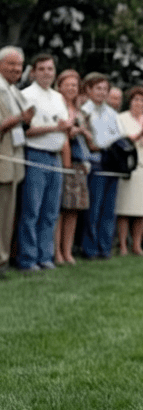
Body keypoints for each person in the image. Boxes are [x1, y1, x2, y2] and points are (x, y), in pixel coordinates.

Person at [18, 53, 72, 272]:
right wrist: (55, 128)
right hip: (36, 154)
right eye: (42, 69)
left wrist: (66, 128)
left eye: (50, 69)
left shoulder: (58, 97)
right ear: (33, 72)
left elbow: (63, 126)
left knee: (50, 211)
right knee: (32, 210)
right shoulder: (26, 95)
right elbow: (26, 130)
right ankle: (28, 259)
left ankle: (45, 256)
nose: (47, 73)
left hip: (55, 156)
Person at [80, 73, 123, 260]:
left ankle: (104, 248)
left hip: (112, 164)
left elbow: (119, 138)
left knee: (108, 209)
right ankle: (89, 248)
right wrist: (104, 143)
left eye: (105, 89)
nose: (102, 92)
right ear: (88, 90)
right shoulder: (84, 111)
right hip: (96, 163)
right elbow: (91, 143)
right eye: (98, 88)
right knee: (94, 209)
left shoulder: (112, 113)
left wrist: (104, 143)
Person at [116, 86, 143, 256]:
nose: (139, 103)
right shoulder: (121, 118)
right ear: (130, 101)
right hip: (128, 166)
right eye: (136, 100)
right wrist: (137, 135)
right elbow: (121, 140)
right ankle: (122, 246)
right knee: (125, 208)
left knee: (142, 209)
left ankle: (137, 244)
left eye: (142, 100)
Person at [0, 46, 33, 278]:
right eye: (10, 64)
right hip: (3, 158)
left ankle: (3, 260)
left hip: (15, 157)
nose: (15, 69)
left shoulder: (14, 91)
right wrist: (20, 119)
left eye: (19, 66)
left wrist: (25, 121)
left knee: (8, 213)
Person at [54, 69, 91, 265]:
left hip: (79, 163)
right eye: (67, 84)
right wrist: (72, 130)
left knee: (73, 209)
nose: (71, 88)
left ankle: (67, 251)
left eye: (75, 85)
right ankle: (57, 251)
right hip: (62, 162)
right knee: (59, 209)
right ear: (59, 86)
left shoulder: (80, 111)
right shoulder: (56, 106)